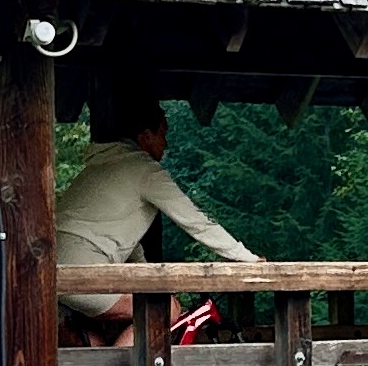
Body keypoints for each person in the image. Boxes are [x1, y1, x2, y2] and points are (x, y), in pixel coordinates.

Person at [55, 98, 260, 343]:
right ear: (145, 136)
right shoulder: (143, 169)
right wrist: (248, 258)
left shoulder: (102, 166)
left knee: (104, 336)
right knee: (165, 309)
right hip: (84, 272)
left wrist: (147, 273)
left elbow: (124, 241)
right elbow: (195, 220)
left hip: (53, 269)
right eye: (162, 134)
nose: (166, 143)